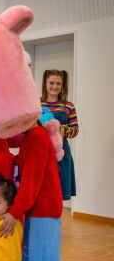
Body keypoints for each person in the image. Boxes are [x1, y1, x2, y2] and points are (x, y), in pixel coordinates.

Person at [0, 120, 66, 261]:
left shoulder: (36, 138)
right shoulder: (31, 138)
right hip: (37, 214)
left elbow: (31, 183)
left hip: (44, 214)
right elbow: (23, 169)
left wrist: (13, 213)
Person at [41, 69, 79, 201]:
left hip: (62, 153)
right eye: (51, 83)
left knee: (58, 192)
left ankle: (56, 221)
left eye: (58, 83)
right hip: (41, 151)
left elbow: (75, 130)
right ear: (45, 84)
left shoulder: (68, 106)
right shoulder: (36, 104)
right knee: (40, 189)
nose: (54, 86)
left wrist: (62, 129)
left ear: (62, 86)